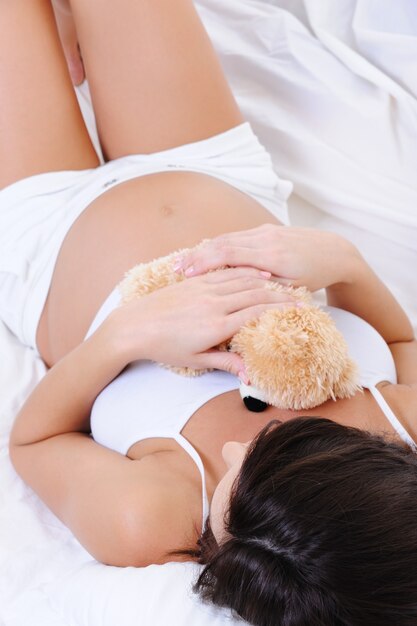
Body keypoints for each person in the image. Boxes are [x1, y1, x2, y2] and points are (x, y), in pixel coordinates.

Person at [2, 0, 417, 624]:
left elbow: (34, 440)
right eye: (284, 442)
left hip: (47, 230)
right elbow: (400, 340)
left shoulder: (150, 518)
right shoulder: (400, 430)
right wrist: (343, 263)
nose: (233, 449)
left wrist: (123, 337)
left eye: (235, 485)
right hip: (215, 166)